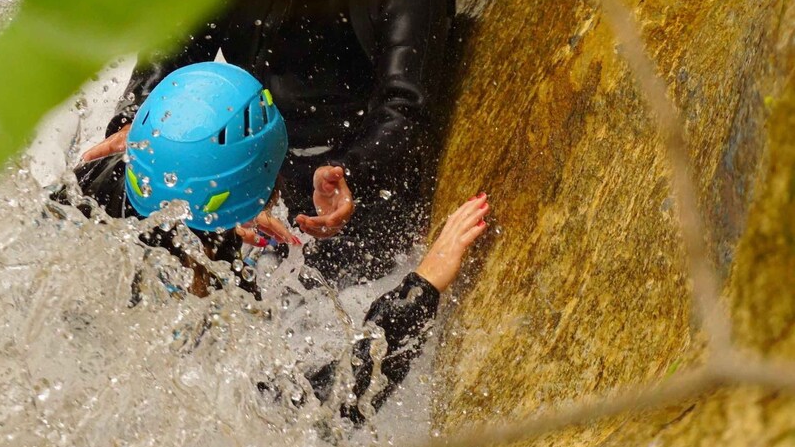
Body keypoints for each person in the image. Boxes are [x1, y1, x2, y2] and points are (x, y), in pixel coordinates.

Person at [65, 62, 488, 425]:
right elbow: (314, 412)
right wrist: (422, 286)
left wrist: (225, 223)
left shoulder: (91, 192)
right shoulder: (191, 339)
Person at [81, 0, 457, 286]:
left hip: (340, 183)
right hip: (245, 166)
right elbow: (174, 42)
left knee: (307, 313)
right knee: (112, 197)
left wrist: (348, 174)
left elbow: (405, 110)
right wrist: (136, 118)